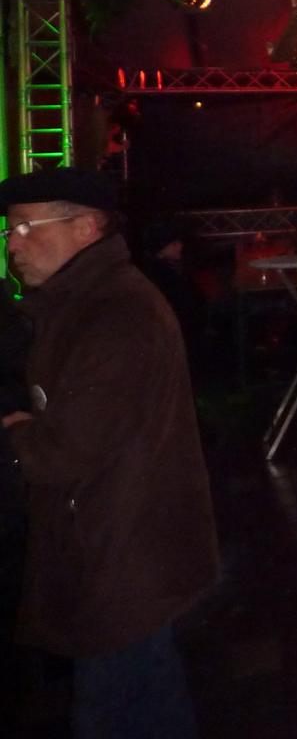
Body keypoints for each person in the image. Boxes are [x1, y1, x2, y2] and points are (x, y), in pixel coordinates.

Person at [0, 167, 218, 739]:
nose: (14, 245)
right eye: (9, 231)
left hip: (121, 552)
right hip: (121, 544)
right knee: (148, 697)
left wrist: (18, 434)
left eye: (26, 227)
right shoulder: (83, 303)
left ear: (86, 227)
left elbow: (69, 449)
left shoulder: (115, 314)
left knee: (114, 709)